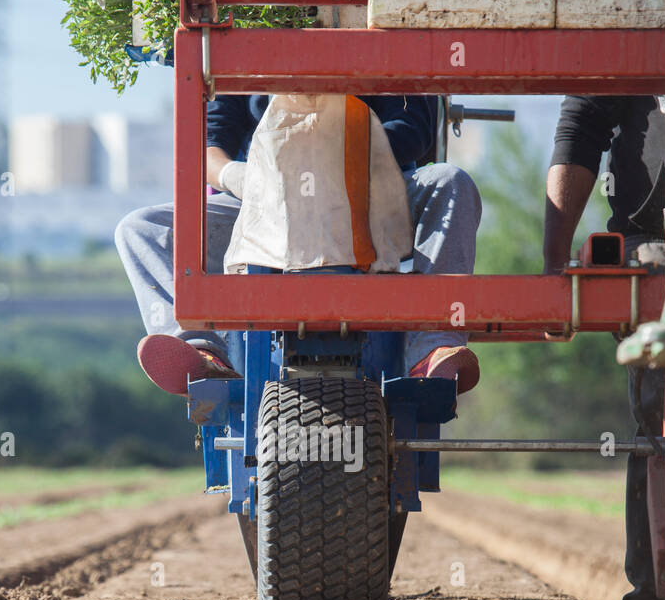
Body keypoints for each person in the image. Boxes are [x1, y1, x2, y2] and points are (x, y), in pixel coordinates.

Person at [115, 93, 482, 396]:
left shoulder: (382, 35)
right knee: (141, 229)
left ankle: (432, 350)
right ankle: (205, 354)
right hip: (261, 206)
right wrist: (236, 175)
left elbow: (411, 129)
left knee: (451, 182)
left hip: (372, 193)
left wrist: (339, 162)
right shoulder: (242, 39)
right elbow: (212, 145)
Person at [543, 94, 665, 600]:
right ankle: (659, 588)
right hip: (659, 242)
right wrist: (553, 269)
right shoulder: (645, 11)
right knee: (663, 408)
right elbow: (584, 122)